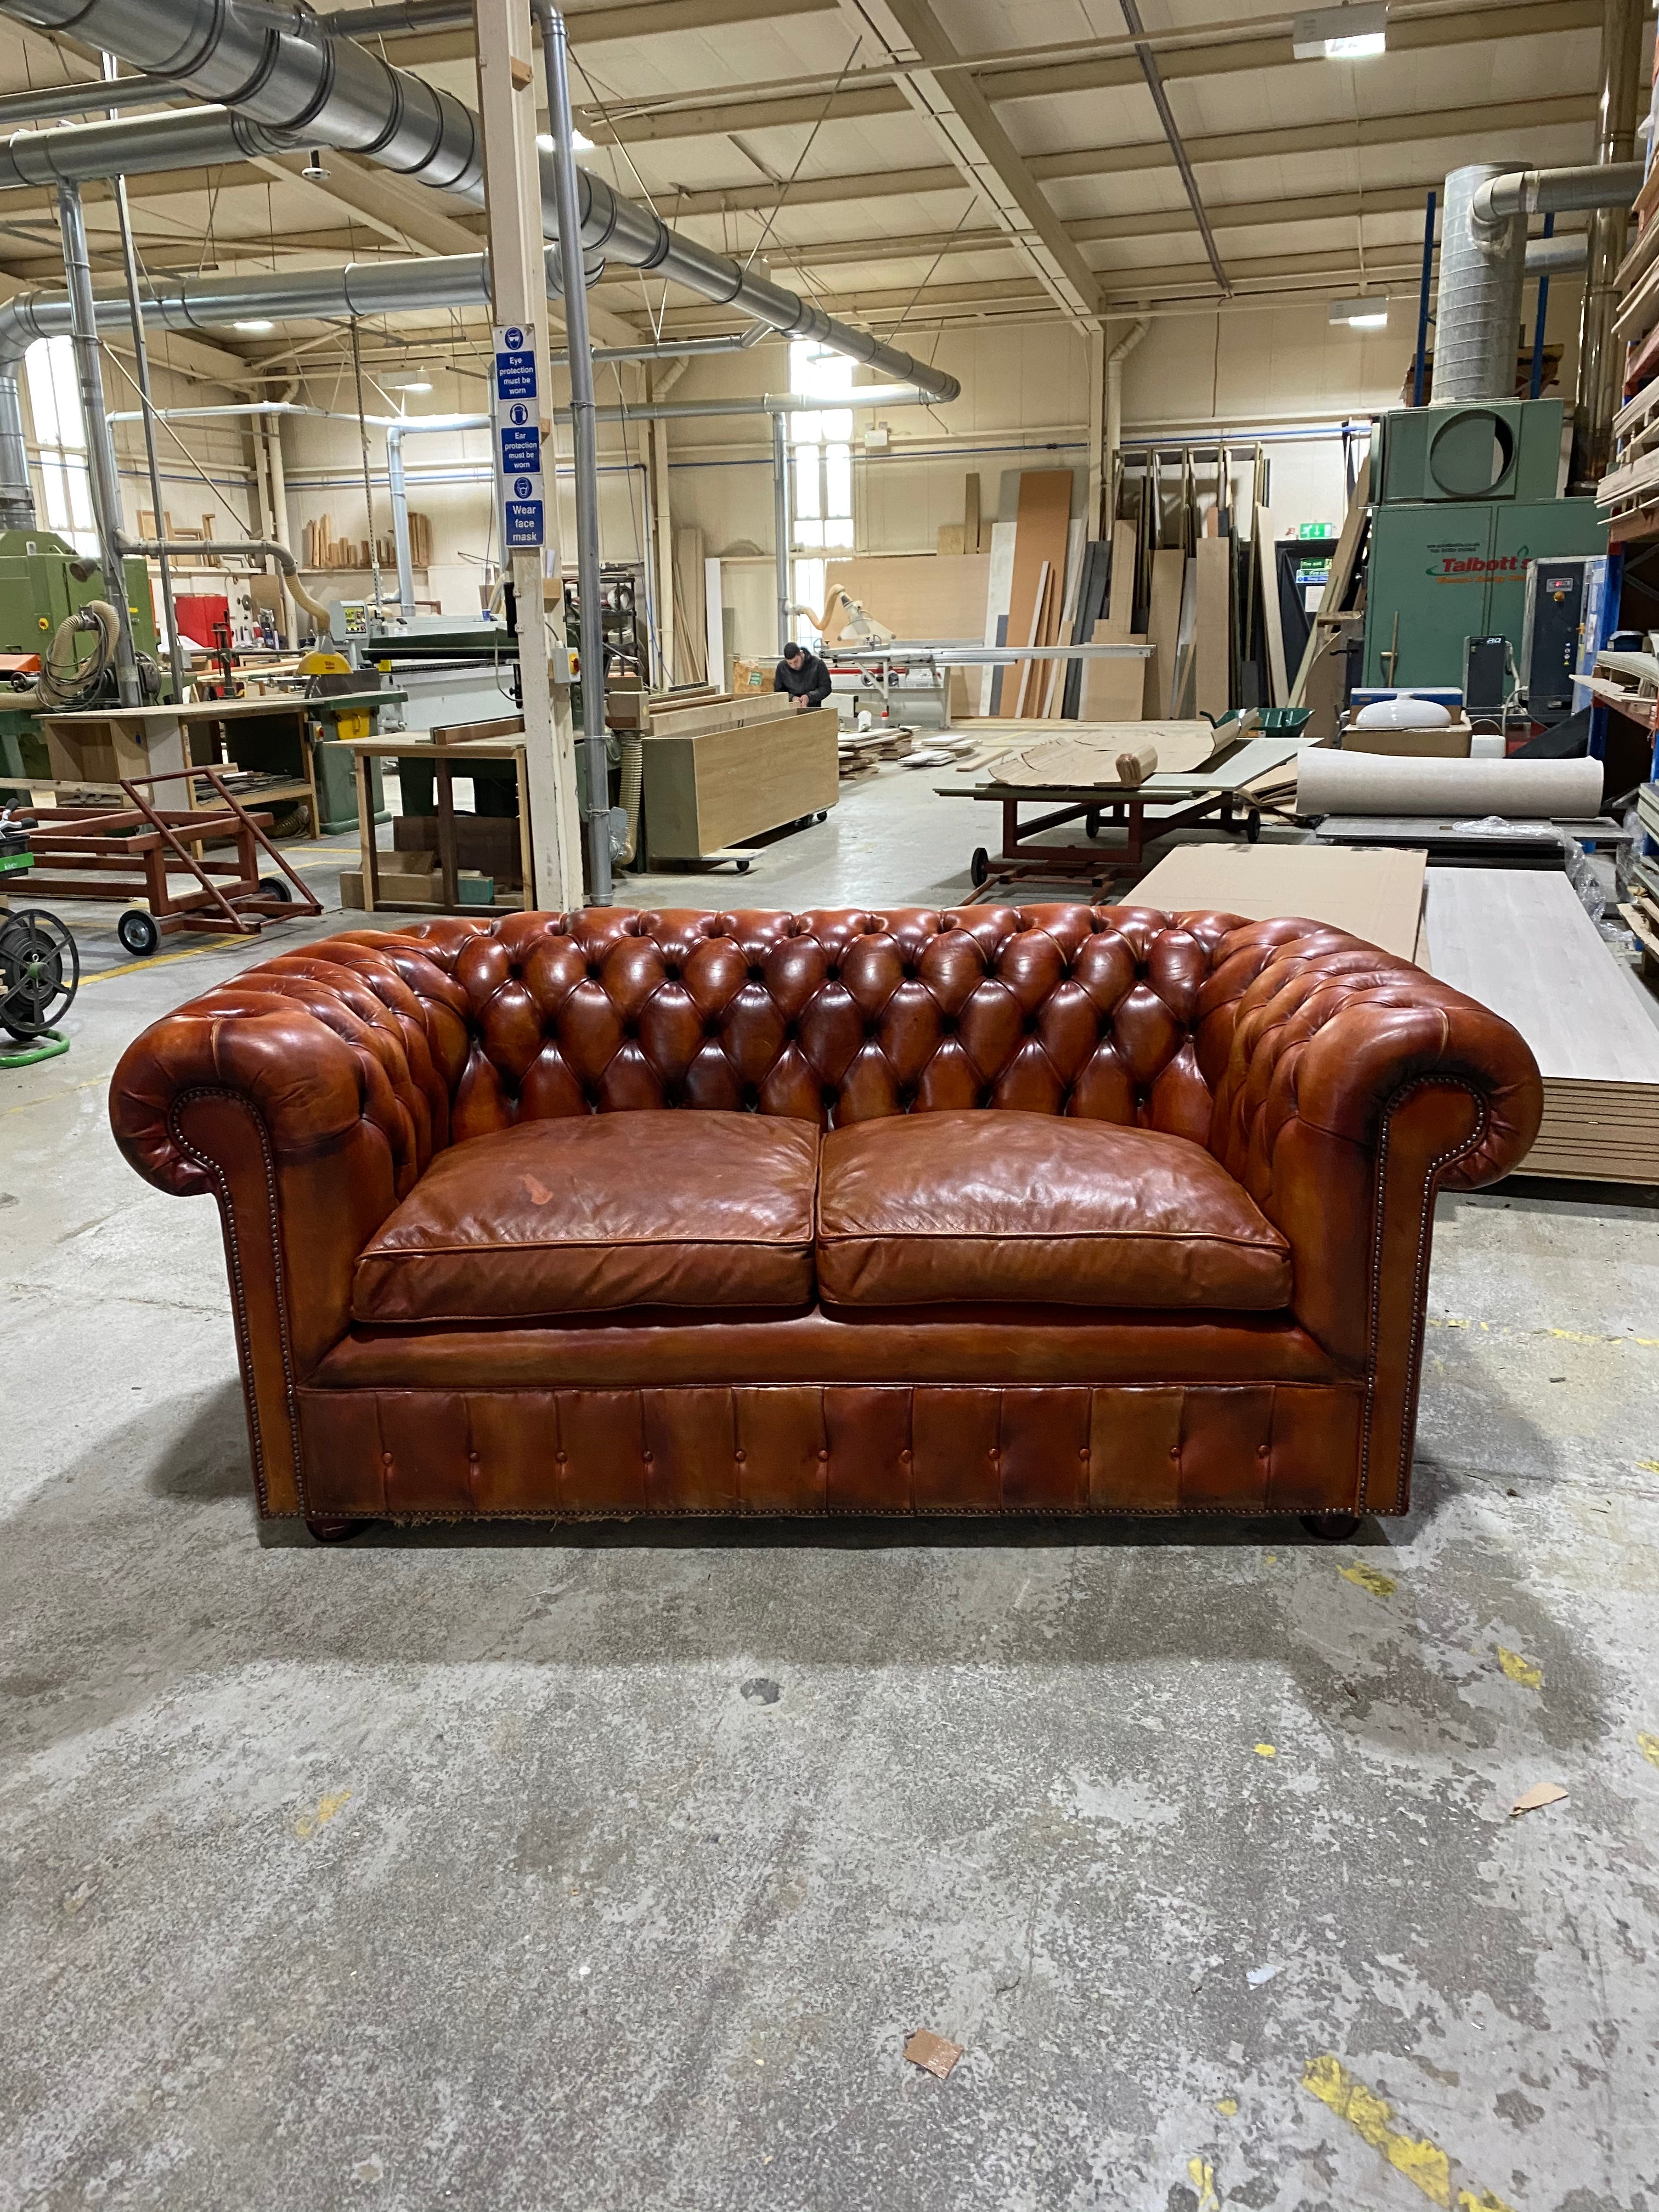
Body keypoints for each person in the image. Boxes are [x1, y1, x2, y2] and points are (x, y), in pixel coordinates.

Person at [775, 640, 833, 712]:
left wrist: (809, 697)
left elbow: (826, 688)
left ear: (801, 654)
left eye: (796, 661)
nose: (793, 666)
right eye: (790, 663)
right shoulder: (782, 667)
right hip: (790, 710)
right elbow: (778, 691)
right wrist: (792, 698)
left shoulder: (818, 664)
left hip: (814, 709)